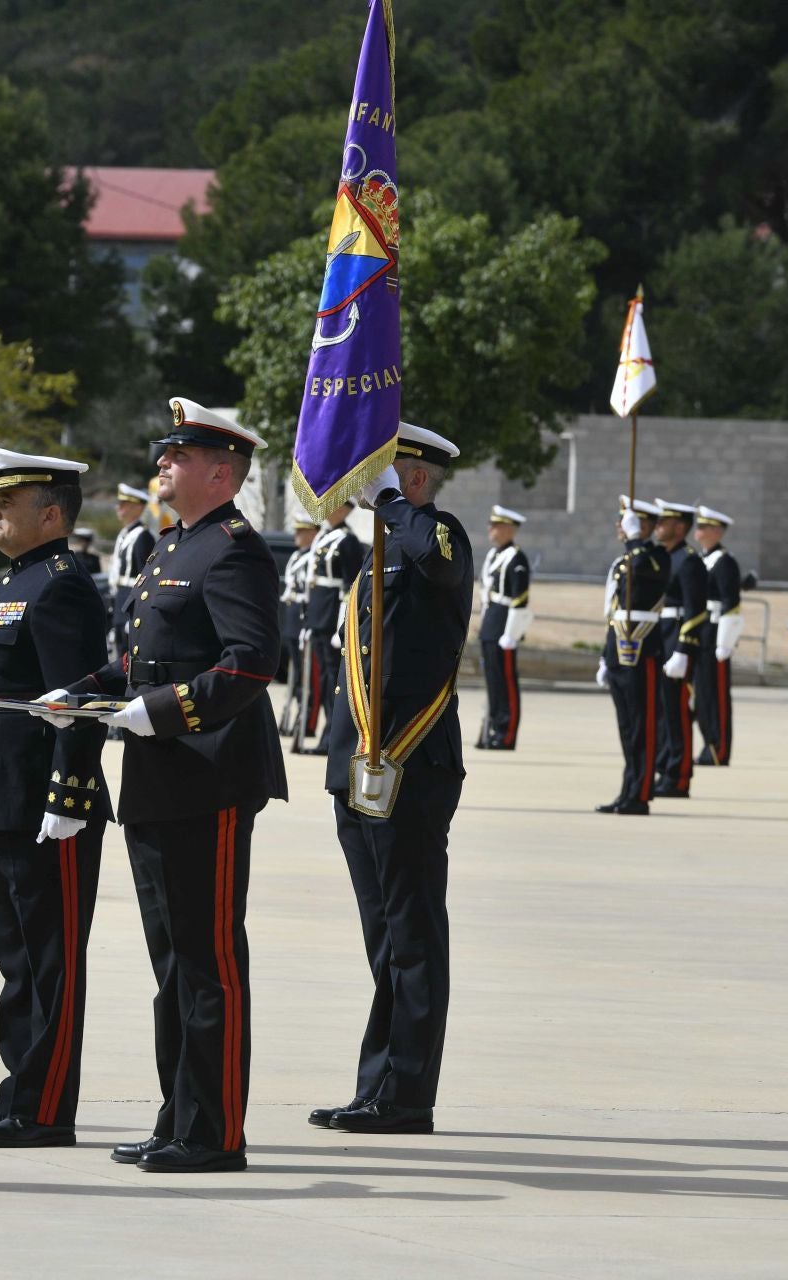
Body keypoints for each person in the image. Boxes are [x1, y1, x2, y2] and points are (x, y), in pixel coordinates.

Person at [38, 397, 285, 1174]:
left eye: (177, 458)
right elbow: (138, 660)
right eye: (164, 456)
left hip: (207, 776)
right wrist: (80, 692)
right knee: (171, 961)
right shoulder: (170, 548)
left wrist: (167, 709)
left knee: (209, 960)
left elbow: (248, 661)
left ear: (221, 471)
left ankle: (216, 1132)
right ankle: (179, 1115)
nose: (162, 467)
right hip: (153, 774)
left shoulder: (234, 551)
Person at [0, 449, 112, 1151]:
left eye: (4, 505)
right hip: (0, 789)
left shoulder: (63, 584)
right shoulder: (18, 581)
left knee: (50, 960)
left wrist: (69, 794)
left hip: (45, 798)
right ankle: (20, 1094)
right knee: (18, 957)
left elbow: (79, 697)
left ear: (49, 513)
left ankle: (45, 1109)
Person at [310, 423, 470, 1137]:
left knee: (411, 934)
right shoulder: (375, 553)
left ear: (413, 477)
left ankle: (408, 1094)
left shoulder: (438, 536)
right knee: (383, 938)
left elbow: (435, 562)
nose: (364, 479)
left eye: (381, 469)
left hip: (412, 762)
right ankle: (378, 1083)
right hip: (360, 767)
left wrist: (397, 510)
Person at [596, 496, 669, 815]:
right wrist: (604, 656)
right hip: (619, 651)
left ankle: (640, 793)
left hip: (643, 651)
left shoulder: (656, 556)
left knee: (643, 725)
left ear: (648, 526)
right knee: (627, 727)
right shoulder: (623, 560)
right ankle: (628, 790)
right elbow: (613, 611)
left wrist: (637, 539)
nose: (620, 526)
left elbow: (644, 571)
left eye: (629, 521)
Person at [650, 499, 707, 798]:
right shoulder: (662, 557)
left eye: (665, 521)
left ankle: (679, 775)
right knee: (661, 712)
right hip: (660, 636)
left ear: (680, 527)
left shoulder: (689, 560)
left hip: (677, 641)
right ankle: (664, 768)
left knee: (677, 713)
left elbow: (696, 609)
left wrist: (684, 649)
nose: (658, 526)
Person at [304, 500, 365, 753]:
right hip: (318, 613)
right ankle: (325, 736)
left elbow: (351, 586)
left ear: (343, 510)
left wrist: (342, 622)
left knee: (332, 679)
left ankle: (331, 737)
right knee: (322, 676)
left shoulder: (347, 540)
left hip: (331, 614)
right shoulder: (324, 536)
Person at [475, 505, 531, 751]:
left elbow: (520, 599)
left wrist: (511, 634)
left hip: (505, 622)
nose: (491, 529)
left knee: (506, 681)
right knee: (493, 680)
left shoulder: (516, 558)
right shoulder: (494, 555)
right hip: (491, 620)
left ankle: (506, 733)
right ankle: (493, 728)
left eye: (496, 525)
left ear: (509, 529)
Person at [691, 507, 743, 766]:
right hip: (702, 630)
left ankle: (718, 748)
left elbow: (730, 603)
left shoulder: (724, 562)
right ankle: (708, 742)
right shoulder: (703, 559)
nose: (697, 531)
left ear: (717, 531)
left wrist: (725, 642)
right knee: (702, 693)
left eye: (703, 526)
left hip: (715, 633)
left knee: (716, 694)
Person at [279, 515, 319, 736]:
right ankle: (294, 714)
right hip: (292, 618)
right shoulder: (296, 556)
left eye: (301, 531)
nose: (296, 535)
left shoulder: (313, 556)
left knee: (309, 676)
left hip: (305, 618)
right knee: (294, 673)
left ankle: (308, 721)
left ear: (312, 533)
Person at [109, 483, 155, 662]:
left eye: (124, 504)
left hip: (131, 598)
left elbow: (146, 577)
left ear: (138, 507)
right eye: (118, 503)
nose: (118, 507)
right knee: (118, 649)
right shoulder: (124, 534)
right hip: (120, 597)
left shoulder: (143, 536)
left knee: (128, 652)